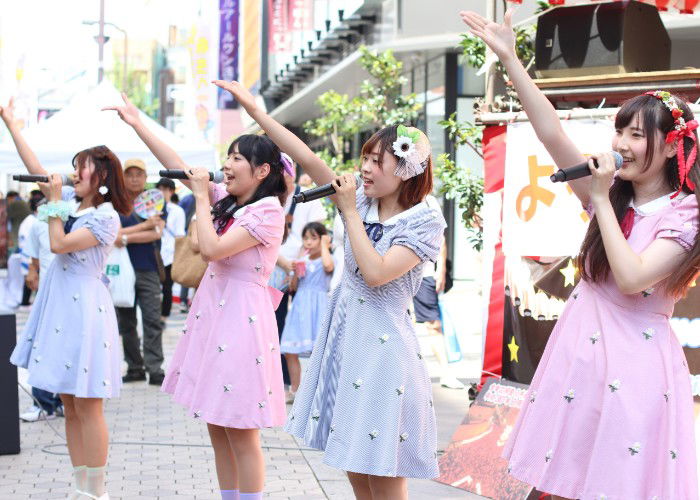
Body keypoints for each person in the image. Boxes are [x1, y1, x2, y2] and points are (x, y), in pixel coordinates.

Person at [461, 10, 700, 499]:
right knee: (550, 483)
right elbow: (551, 133)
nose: (622, 144)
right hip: (580, 354)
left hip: (633, 364)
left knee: (608, 485)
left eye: (637, 134)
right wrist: (511, 58)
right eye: (621, 131)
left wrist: (599, 198)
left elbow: (633, 278)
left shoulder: (684, 213)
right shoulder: (613, 194)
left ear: (673, 145)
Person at [212, 80, 446, 499]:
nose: (366, 169)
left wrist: (351, 211)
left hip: (385, 350)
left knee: (384, 469)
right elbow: (303, 154)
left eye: (378, 161)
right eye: (365, 160)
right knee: (354, 465)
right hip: (346, 340)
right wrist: (258, 114)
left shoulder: (423, 220)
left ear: (407, 168)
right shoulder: (361, 201)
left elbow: (376, 273)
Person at [105, 92, 290, 500]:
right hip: (215, 315)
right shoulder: (232, 202)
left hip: (242, 321)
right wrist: (138, 123)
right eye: (227, 156)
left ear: (262, 171)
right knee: (216, 423)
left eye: (237, 158)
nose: (226, 164)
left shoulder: (267, 211)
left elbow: (211, 250)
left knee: (241, 430)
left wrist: (203, 198)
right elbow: (177, 166)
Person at [2, 97, 131, 500]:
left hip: (85, 311)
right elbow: (38, 170)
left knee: (88, 404)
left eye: (82, 169)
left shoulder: (106, 217)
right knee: (69, 402)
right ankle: (79, 485)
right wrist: (10, 123)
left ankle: (97, 490)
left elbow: (59, 243)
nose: (74, 174)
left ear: (103, 176)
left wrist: (55, 201)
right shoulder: (70, 205)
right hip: (59, 304)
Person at [271, 161, 326, 389]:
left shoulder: (308, 197)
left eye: (284, 171)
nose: (281, 176)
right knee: (277, 323)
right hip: (276, 269)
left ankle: (311, 384)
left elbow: (319, 228)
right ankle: (283, 381)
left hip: (306, 270)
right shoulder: (269, 198)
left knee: (307, 326)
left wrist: (305, 257)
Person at [113, 158, 166, 385]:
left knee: (152, 319)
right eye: (130, 174)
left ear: (146, 178)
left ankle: (155, 368)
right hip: (121, 270)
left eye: (139, 174)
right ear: (123, 177)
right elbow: (110, 235)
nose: (134, 178)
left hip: (148, 268)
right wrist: (143, 227)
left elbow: (156, 234)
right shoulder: (115, 202)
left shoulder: (154, 200)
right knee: (126, 321)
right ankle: (134, 366)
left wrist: (124, 237)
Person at [18, 192, 66, 422]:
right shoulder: (39, 222)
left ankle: (65, 401)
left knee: (67, 348)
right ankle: (42, 402)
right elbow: (35, 257)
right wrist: (32, 272)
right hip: (47, 293)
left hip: (72, 294)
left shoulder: (77, 218)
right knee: (42, 347)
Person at [280, 222, 334, 403]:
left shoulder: (326, 257)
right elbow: (293, 286)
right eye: (305, 238)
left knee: (319, 351)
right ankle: (296, 390)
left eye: (313, 238)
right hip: (300, 306)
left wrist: (325, 246)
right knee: (289, 349)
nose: (309, 242)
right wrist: (294, 270)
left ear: (322, 238)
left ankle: (318, 391)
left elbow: (328, 267)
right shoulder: (302, 258)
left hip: (318, 307)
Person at [155, 177, 186, 320]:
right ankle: (154, 313)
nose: (162, 192)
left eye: (165, 189)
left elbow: (180, 234)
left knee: (167, 285)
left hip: (170, 252)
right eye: (160, 189)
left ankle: (164, 315)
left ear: (171, 191)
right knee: (154, 285)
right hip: (154, 250)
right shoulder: (152, 207)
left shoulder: (177, 210)